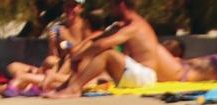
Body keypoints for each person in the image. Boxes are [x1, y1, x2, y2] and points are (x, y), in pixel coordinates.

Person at [50, 0, 180, 96]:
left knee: (107, 54)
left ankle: (74, 89)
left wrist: (78, 55)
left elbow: (102, 45)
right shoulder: (124, 26)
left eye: (112, 5)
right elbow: (96, 40)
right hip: (136, 75)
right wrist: (77, 55)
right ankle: (67, 86)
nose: (110, 10)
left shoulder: (134, 26)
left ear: (121, 5)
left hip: (144, 77)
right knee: (91, 54)